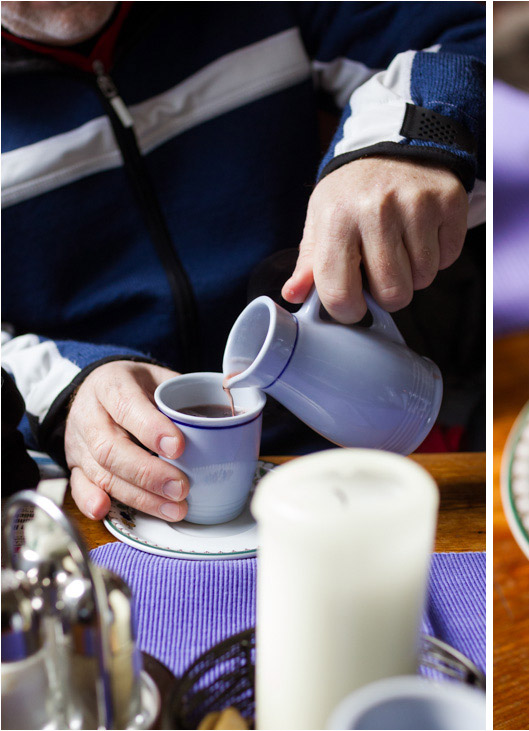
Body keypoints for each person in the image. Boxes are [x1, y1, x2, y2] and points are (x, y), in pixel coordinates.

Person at [0, 2, 485, 522]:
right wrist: (64, 388)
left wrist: (406, 139)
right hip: (111, 488)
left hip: (352, 462)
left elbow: (464, 30)